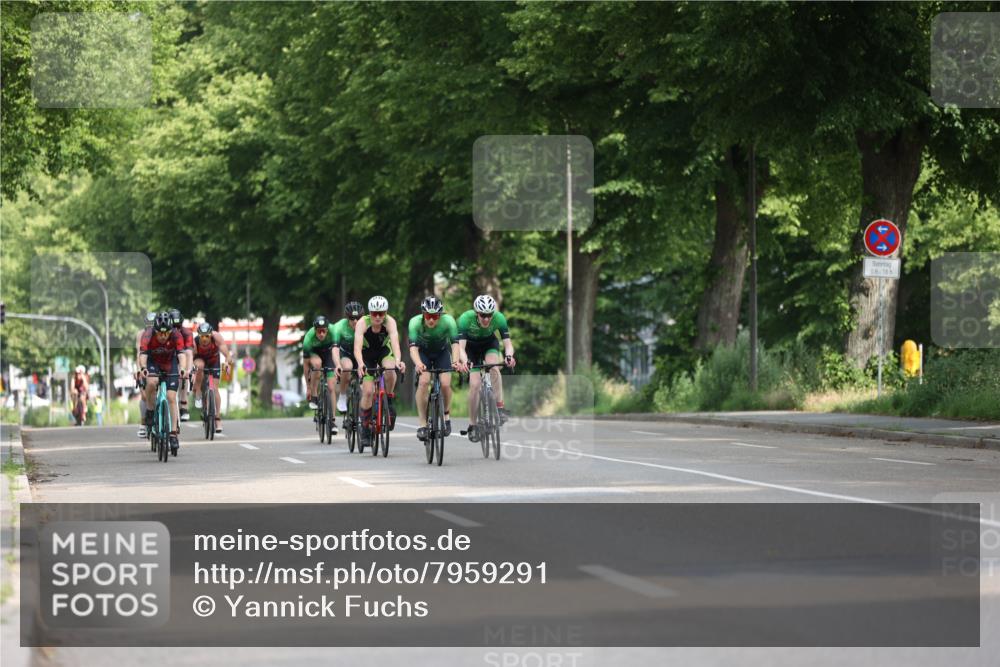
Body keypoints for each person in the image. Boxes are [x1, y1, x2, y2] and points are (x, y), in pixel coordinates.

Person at [457, 294, 516, 442]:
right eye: (483, 315)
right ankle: (472, 423)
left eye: (489, 315)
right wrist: (465, 361)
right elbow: (461, 348)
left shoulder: (499, 318)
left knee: (494, 368)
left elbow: (508, 345)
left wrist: (509, 357)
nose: (486, 319)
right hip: (470, 348)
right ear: (477, 313)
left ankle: (500, 407)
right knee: (475, 384)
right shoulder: (465, 319)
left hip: (489, 344)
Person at [353, 296, 406, 449]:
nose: (378, 317)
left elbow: (395, 344)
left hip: (384, 351)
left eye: (381, 313)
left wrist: (398, 361)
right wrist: (360, 363)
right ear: (370, 313)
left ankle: (388, 400)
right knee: (368, 392)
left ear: (385, 313)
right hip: (367, 353)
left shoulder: (390, 322)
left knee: (390, 371)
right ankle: (365, 428)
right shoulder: (362, 322)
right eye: (374, 313)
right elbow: (357, 347)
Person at [408, 296, 460, 441]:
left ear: (440, 315)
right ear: (423, 314)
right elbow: (413, 349)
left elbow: (455, 344)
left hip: (441, 353)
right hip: (423, 353)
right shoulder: (414, 322)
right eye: (428, 316)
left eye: (435, 316)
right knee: (424, 382)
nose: (431, 320)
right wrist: (418, 364)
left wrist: (455, 361)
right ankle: (423, 425)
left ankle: (446, 415)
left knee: (445, 384)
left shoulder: (449, 321)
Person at [139, 312, 189, 454]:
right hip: (153, 362)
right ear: (155, 330)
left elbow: (181, 354)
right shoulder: (148, 335)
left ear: (170, 330)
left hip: (170, 364)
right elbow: (142, 355)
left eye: (165, 333)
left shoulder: (176, 335)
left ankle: (173, 434)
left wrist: (183, 369)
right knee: (151, 382)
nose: (162, 336)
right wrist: (143, 368)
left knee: (172, 397)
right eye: (160, 333)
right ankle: (150, 410)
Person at [192, 322, 234, 433]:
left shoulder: (217, 337)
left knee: (215, 388)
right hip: (200, 359)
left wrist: (227, 364)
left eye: (207, 336)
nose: (205, 339)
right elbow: (190, 357)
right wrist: (191, 371)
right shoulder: (195, 342)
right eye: (202, 336)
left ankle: (217, 418)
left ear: (211, 334)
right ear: (199, 335)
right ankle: (198, 392)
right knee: (200, 367)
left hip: (213, 361)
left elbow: (227, 355)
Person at [302, 315, 338, 434]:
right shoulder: (308, 338)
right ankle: (314, 395)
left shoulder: (334, 332)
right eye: (319, 331)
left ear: (327, 329)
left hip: (328, 353)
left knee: (332, 387)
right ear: (314, 330)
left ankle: (332, 420)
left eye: (324, 331)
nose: (321, 334)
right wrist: (308, 388)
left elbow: (337, 351)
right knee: (317, 365)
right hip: (314, 353)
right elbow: (306, 365)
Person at [331, 301, 364, 414]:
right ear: (347, 318)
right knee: (347, 367)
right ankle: (343, 395)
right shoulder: (339, 326)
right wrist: (338, 364)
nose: (355, 321)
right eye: (351, 318)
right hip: (346, 355)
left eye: (358, 318)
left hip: (362, 355)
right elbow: (335, 348)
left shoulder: (367, 325)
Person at [170, 309, 195, 422]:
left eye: (178, 326)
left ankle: (183, 404)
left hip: (182, 356)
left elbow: (188, 352)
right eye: (173, 326)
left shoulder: (187, 333)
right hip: (168, 356)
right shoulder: (163, 333)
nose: (176, 329)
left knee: (183, 373)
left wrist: (188, 370)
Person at [135, 311, 156, 437]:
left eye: (153, 325)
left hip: (161, 361)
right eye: (149, 325)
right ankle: (143, 423)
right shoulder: (141, 335)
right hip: (146, 362)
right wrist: (139, 370)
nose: (151, 328)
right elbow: (139, 353)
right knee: (144, 395)